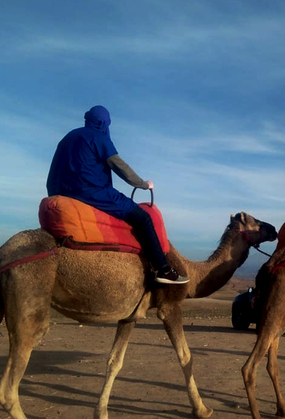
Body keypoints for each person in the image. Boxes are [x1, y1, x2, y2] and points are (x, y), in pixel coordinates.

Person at [46, 105, 188, 285]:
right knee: (143, 218)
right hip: (92, 192)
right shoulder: (99, 137)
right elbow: (121, 168)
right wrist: (144, 184)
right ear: (105, 123)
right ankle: (163, 268)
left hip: (59, 191)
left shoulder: (68, 137)